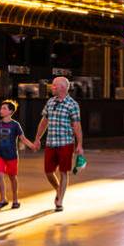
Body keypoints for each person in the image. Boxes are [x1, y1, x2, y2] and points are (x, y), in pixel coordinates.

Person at [35, 76, 83, 212]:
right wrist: (38, 138)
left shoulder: (72, 104)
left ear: (62, 87)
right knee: (48, 171)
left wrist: (79, 144)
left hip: (66, 143)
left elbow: (77, 125)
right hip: (51, 143)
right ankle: (58, 189)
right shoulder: (50, 102)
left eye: (54, 85)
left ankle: (59, 201)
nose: (52, 87)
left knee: (63, 172)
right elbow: (44, 121)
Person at [0, 100, 37, 210]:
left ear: (11, 111)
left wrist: (32, 146)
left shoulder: (15, 125)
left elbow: (22, 139)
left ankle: (15, 199)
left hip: (12, 155)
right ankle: (3, 199)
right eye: (1, 108)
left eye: (4, 108)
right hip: (0, 155)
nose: (1, 110)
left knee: (12, 177)